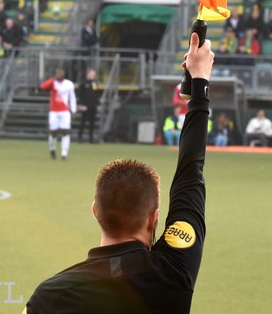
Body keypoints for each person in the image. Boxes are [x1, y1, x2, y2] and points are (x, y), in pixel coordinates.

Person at [25, 32, 214, 313]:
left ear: (95, 211)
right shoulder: (173, 270)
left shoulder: (51, 295)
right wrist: (199, 84)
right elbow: (190, 174)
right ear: (154, 219)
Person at [40, 68, 77, 160]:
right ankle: (52, 148)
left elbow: (72, 98)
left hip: (64, 111)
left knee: (65, 132)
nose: (59, 74)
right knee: (53, 133)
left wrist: (73, 110)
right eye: (57, 73)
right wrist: (52, 79)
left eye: (61, 73)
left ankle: (64, 153)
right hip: (54, 111)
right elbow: (43, 87)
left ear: (64, 74)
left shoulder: (69, 84)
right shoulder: (53, 83)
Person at [77, 68, 99, 143]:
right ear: (87, 74)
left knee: (92, 122)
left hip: (92, 106)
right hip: (85, 106)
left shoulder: (94, 83)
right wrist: (80, 104)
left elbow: (96, 94)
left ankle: (91, 138)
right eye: (91, 74)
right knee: (83, 121)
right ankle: (80, 137)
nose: (93, 76)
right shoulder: (83, 83)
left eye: (94, 75)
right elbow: (80, 94)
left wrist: (98, 104)